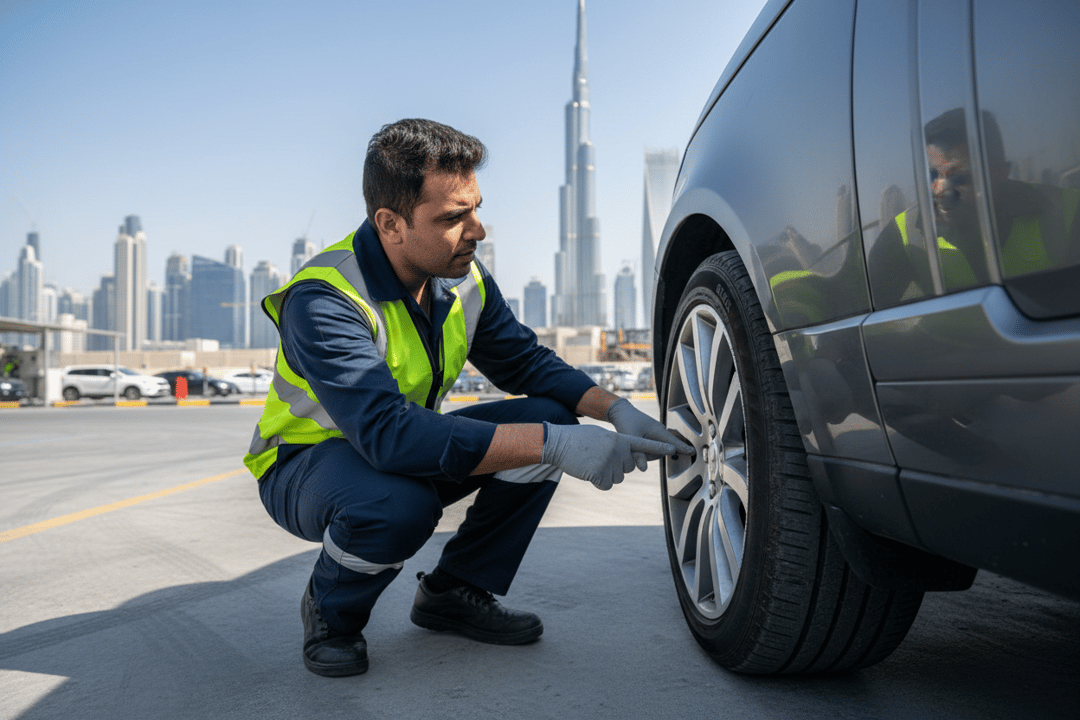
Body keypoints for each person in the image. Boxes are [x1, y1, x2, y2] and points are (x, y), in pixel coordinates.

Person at [243, 118, 692, 677]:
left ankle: (454, 592)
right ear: (391, 224)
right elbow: (388, 435)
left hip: (394, 450)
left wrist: (614, 409)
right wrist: (553, 445)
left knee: (547, 412)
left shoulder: (461, 279)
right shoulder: (325, 299)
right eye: (454, 217)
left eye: (475, 208)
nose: (477, 231)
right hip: (306, 465)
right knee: (399, 506)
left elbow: (524, 360)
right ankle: (331, 613)